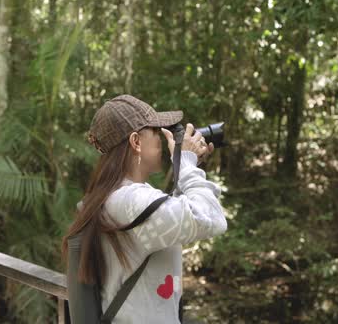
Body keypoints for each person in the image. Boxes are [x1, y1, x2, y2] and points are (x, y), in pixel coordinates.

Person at [62, 94, 227, 323]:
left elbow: (168, 223)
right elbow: (211, 218)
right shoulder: (131, 201)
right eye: (154, 130)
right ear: (136, 142)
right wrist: (188, 166)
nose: (162, 137)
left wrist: (187, 166)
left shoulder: (115, 196)